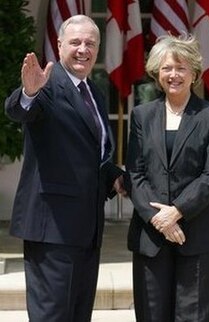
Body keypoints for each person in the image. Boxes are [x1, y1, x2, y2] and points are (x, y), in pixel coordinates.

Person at [4, 15, 125, 322]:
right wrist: (29, 93)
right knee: (53, 316)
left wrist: (117, 178)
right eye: (75, 42)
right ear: (59, 45)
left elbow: (90, 156)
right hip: (52, 230)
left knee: (77, 315)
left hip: (87, 229)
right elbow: (19, 109)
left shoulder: (93, 92)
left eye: (90, 43)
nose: (83, 49)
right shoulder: (46, 83)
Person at [125, 34, 209, 322]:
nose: (174, 75)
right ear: (157, 73)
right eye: (167, 68)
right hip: (151, 237)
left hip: (201, 235)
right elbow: (134, 173)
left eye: (181, 68)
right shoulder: (141, 115)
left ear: (194, 73)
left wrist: (177, 211)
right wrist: (158, 218)